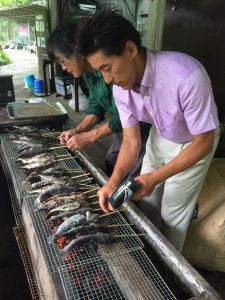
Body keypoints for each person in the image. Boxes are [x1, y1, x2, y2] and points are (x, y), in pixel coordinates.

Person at [75, 10, 220, 251]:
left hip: (193, 143)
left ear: (130, 50)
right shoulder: (121, 87)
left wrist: (155, 177)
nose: (107, 79)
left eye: (107, 67)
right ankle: (148, 254)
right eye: (99, 71)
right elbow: (131, 142)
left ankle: (171, 273)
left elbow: (204, 141)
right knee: (148, 202)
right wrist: (113, 181)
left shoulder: (187, 76)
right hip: (160, 135)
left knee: (173, 214)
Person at [47, 22, 150, 177]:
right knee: (112, 160)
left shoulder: (116, 74)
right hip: (121, 125)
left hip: (141, 127)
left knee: (135, 174)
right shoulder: (88, 73)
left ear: (77, 51)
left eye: (63, 61)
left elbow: (128, 114)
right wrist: (77, 130)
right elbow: (96, 105)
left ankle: (128, 198)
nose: (64, 68)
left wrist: (90, 136)